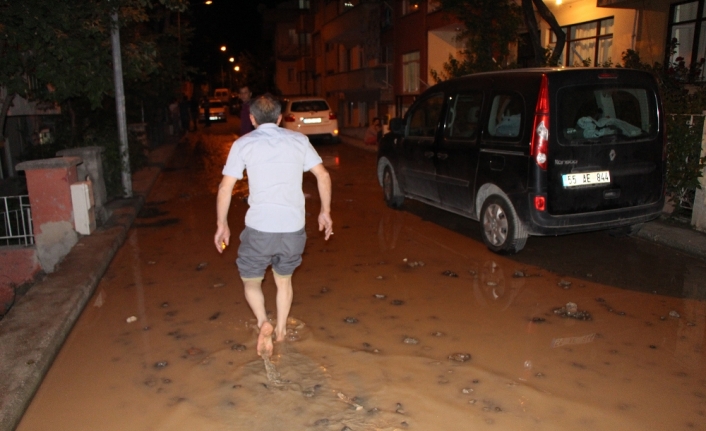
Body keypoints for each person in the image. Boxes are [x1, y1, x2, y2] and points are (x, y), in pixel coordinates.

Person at [214, 93, 333, 359]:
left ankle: (262, 321)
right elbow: (323, 175)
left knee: (251, 280)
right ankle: (280, 332)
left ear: (253, 118)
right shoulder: (299, 140)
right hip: (293, 229)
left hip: (260, 228)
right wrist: (325, 212)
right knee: (284, 281)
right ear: (280, 118)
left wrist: (222, 225)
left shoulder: (243, 144)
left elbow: (225, 187)